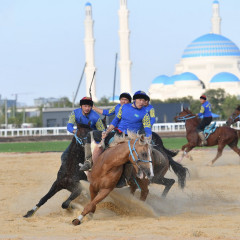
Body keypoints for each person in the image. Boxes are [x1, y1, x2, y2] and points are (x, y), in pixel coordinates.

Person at [79, 90, 151, 171]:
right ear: (135, 100)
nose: (142, 102)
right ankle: (88, 161)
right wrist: (107, 131)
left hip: (130, 137)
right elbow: (115, 120)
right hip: (117, 133)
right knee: (90, 134)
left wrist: (148, 138)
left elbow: (147, 127)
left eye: (143, 100)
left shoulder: (145, 113)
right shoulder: (123, 107)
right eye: (140, 100)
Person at [61, 97, 105, 164]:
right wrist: (74, 131)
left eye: (89, 106)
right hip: (79, 137)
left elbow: (102, 130)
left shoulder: (95, 116)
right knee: (64, 156)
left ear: (91, 107)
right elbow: (69, 126)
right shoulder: (75, 113)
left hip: (92, 139)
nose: (87, 108)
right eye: (85, 106)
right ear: (81, 106)